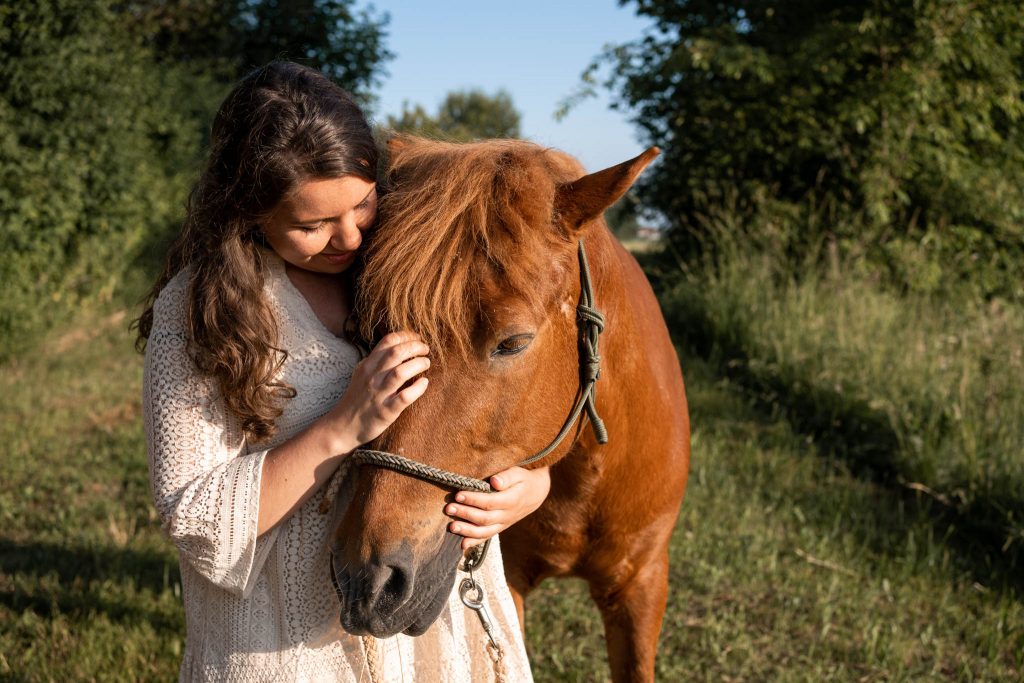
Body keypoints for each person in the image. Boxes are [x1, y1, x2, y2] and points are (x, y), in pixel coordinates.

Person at [136, 61, 549, 682]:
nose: (350, 237)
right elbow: (193, 519)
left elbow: (482, 390)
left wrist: (528, 484)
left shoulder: (408, 270)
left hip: (433, 634)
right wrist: (342, 426)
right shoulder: (199, 313)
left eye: (362, 203)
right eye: (312, 225)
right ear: (247, 211)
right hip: (291, 650)